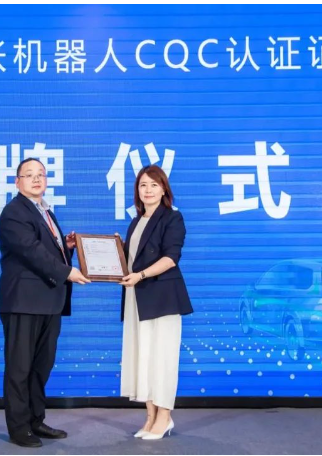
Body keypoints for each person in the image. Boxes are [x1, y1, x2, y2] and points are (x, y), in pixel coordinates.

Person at [0, 157, 91, 448]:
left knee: (41, 366)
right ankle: (19, 428)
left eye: (41, 174)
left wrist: (67, 248)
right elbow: (31, 251)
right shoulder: (14, 212)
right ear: (17, 182)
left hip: (49, 301)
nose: (37, 179)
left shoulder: (45, 211)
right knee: (20, 367)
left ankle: (36, 420)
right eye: (29, 175)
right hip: (23, 302)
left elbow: (47, 250)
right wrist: (67, 271)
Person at [119, 164, 193, 440]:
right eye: (143, 185)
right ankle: (150, 417)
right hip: (137, 298)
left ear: (164, 189)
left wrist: (140, 275)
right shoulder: (136, 221)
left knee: (162, 359)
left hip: (162, 299)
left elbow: (170, 258)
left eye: (154, 184)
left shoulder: (172, 218)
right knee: (143, 358)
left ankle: (164, 417)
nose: (148, 190)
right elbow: (130, 259)